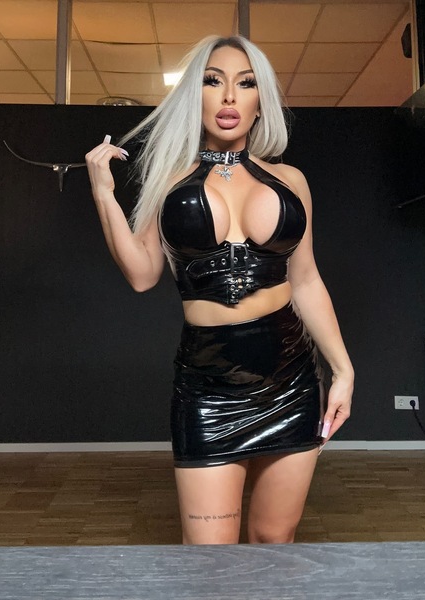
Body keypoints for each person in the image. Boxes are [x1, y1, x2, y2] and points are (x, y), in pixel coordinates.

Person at [85, 35, 354, 545]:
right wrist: (104, 194)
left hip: (291, 378)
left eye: (245, 84)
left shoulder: (290, 180)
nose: (229, 96)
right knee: (210, 560)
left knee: (275, 542)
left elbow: (305, 279)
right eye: (214, 81)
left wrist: (343, 370)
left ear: (260, 101)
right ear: (196, 95)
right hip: (207, 389)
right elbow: (142, 274)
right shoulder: (170, 180)